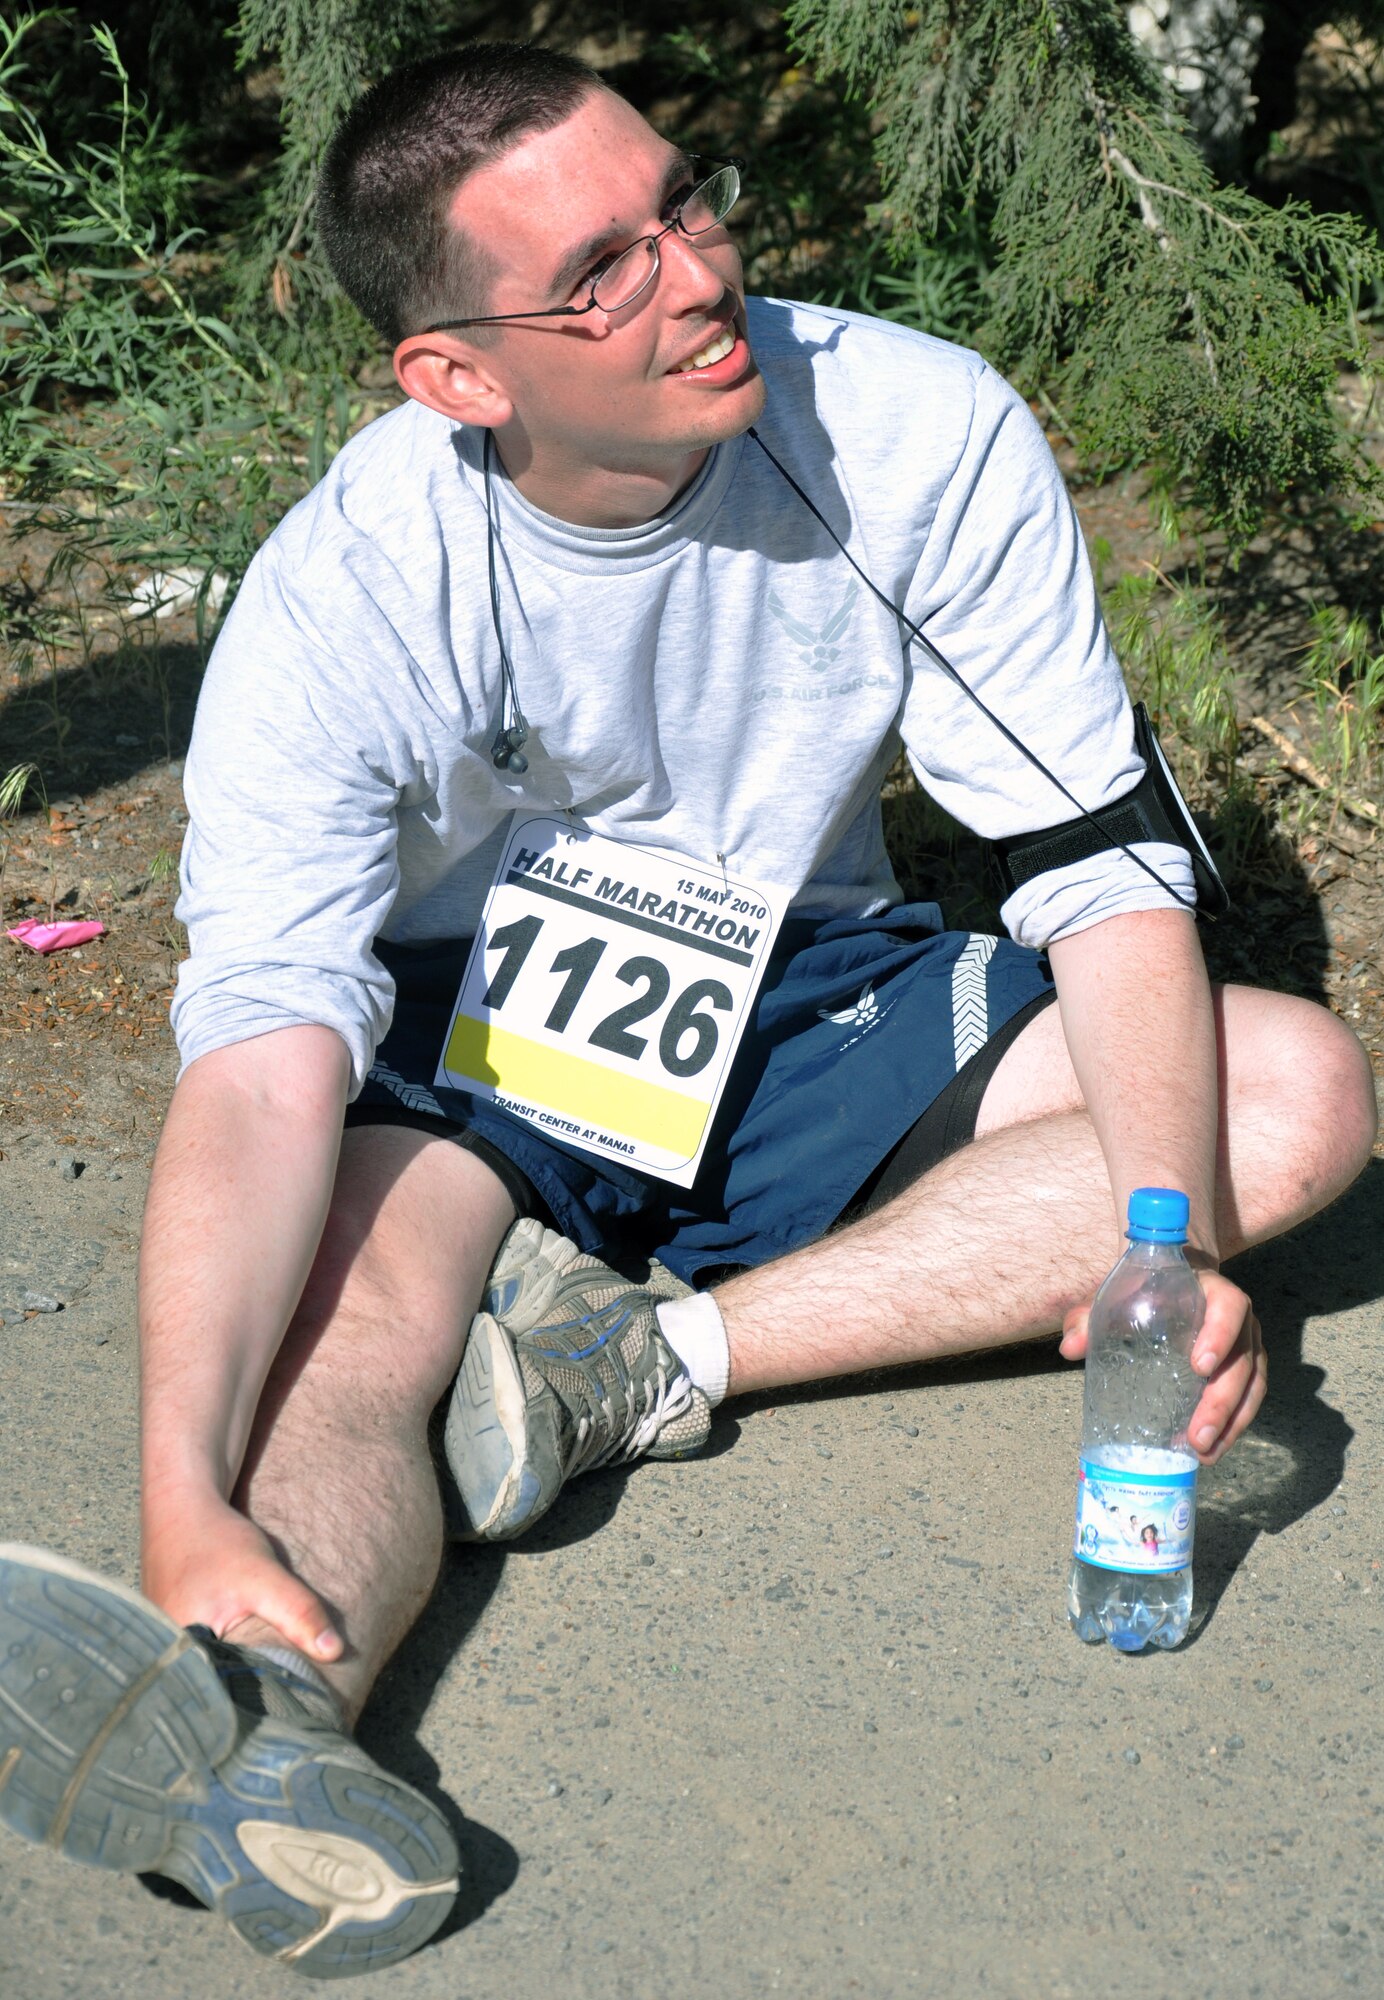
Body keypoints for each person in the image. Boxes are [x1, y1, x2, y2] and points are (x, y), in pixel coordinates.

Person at [0, 39, 1375, 1978]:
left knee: (1289, 1092)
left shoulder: (908, 424)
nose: (692, 275)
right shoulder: (354, 586)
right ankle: (256, 1731)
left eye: (684, 203)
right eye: (598, 273)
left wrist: (1165, 1243)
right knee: (371, 1319)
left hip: (806, 991)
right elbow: (258, 1062)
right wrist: (175, 1502)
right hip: (467, 1031)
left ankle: (617, 1369)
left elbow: (1092, 858)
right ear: (457, 376)